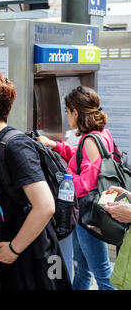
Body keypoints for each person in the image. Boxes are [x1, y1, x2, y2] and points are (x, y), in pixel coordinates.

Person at [0, 70, 72, 290]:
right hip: (2, 257)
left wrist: (14, 249)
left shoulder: (15, 146)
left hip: (28, 258)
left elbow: (45, 205)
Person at [37, 85, 116, 290]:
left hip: (87, 215)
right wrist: (55, 146)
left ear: (75, 112)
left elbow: (85, 184)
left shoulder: (89, 140)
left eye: (67, 111)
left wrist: (61, 180)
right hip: (89, 213)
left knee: (103, 276)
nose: (66, 116)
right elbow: (79, 154)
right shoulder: (101, 134)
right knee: (83, 270)